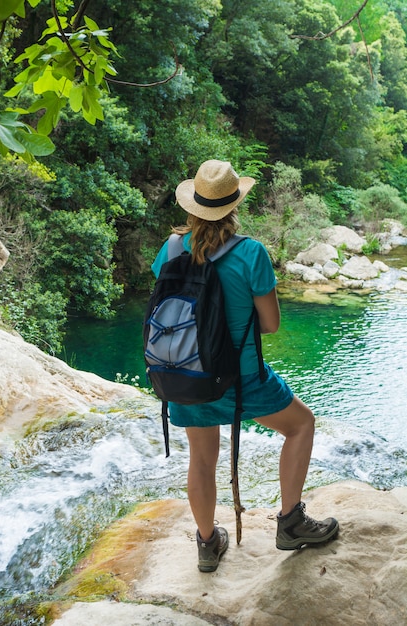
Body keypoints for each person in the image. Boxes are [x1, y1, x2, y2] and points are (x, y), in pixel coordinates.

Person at [151, 160, 339, 573]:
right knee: (301, 424)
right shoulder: (250, 252)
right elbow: (269, 325)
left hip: (185, 373)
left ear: (194, 207)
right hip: (241, 379)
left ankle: (206, 543)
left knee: (201, 457)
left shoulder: (172, 247)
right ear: (234, 206)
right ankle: (290, 522)